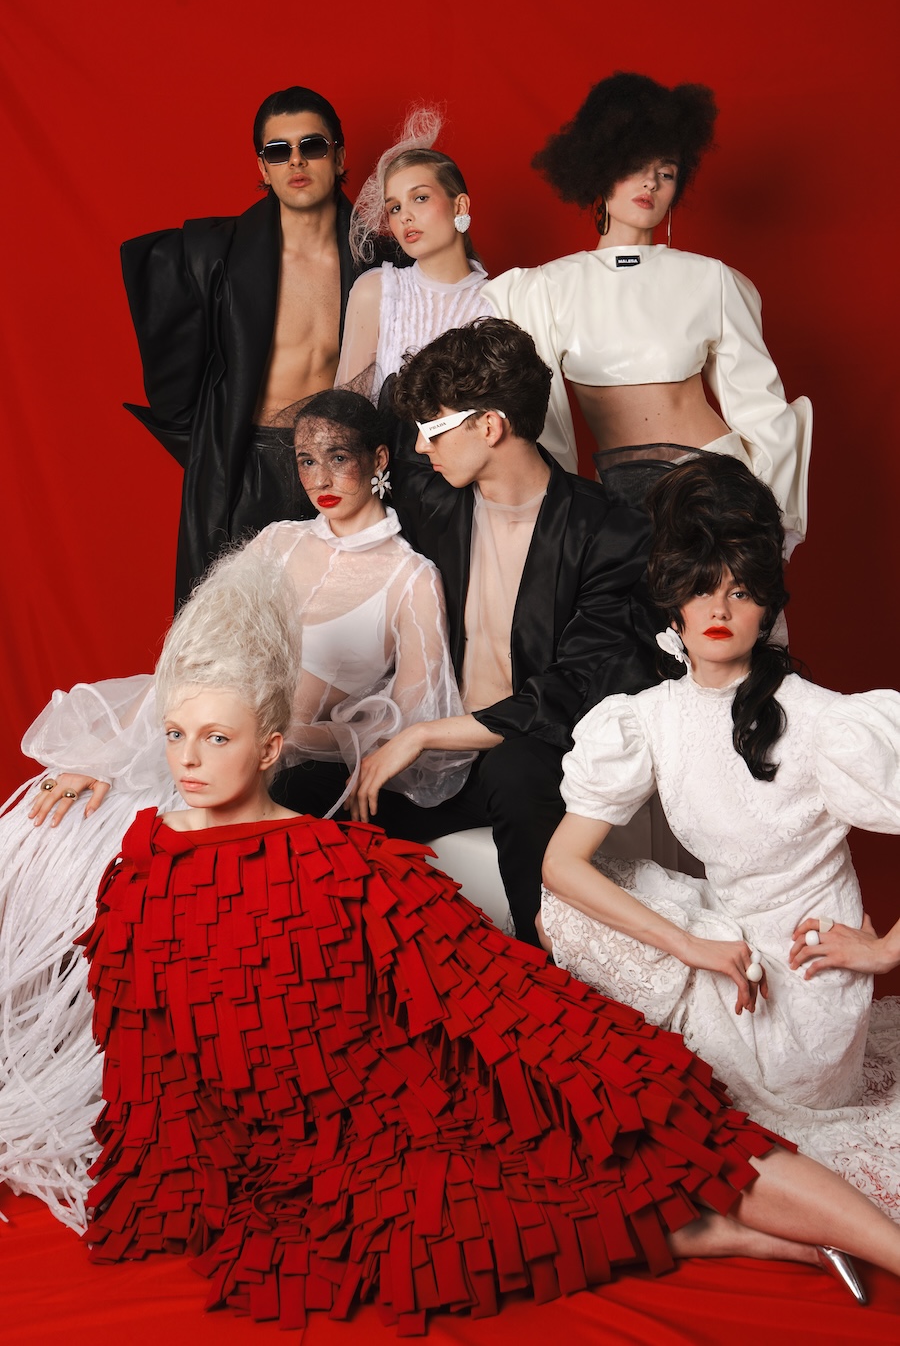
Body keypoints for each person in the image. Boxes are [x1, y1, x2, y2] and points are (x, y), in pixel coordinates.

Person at [77, 553, 900, 1329]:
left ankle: (851, 1240)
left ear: (267, 747)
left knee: (653, 1123)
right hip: (290, 1149)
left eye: (215, 738)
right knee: (442, 1225)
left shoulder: (344, 861)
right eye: (175, 735)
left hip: (396, 1104)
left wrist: (602, 1058)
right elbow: (148, 1059)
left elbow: (480, 983)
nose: (189, 760)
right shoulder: (140, 869)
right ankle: (754, 1236)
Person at [0, 389, 468, 1230]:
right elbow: (190, 665)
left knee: (157, 850)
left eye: (338, 457)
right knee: (55, 823)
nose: (321, 477)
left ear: (379, 461)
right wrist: (109, 758)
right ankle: (29, 1043)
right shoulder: (276, 543)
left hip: (288, 774)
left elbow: (415, 720)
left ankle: (88, 1089)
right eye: (306, 459)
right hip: (201, 747)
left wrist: (307, 737)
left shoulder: (410, 577)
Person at [540, 453, 900, 1218]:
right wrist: (690, 946)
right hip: (728, 951)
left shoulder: (822, 721)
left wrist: (884, 950)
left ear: (767, 606)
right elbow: (561, 865)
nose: (720, 609)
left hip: (804, 997)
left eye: (741, 590)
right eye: (701, 586)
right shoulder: (650, 719)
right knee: (564, 904)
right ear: (671, 601)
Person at [347, 317, 660, 945]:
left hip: (530, 748)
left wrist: (423, 735)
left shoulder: (610, 532)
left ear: (489, 426)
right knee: (309, 789)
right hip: (441, 758)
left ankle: (539, 972)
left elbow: (573, 689)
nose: (422, 447)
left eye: (433, 429)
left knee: (517, 774)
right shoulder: (432, 503)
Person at [484, 72, 811, 551]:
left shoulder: (712, 280)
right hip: (616, 507)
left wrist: (770, 523)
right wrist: (556, 524)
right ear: (600, 168)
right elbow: (543, 427)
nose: (651, 183)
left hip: (714, 493)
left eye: (667, 172)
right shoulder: (544, 290)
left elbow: (761, 407)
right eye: (636, 165)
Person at [122, 86, 373, 606]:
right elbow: (173, 377)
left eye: (312, 146)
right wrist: (209, 444)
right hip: (249, 466)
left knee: (341, 627)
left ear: (339, 156)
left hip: (343, 465)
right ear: (262, 167)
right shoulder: (216, 253)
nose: (296, 161)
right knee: (232, 627)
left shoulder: (377, 258)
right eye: (278, 151)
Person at [334, 108, 497, 416]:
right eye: (394, 208)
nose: (405, 216)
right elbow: (346, 415)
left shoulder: (500, 301)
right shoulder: (377, 291)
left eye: (420, 198)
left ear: (459, 206)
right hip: (384, 449)